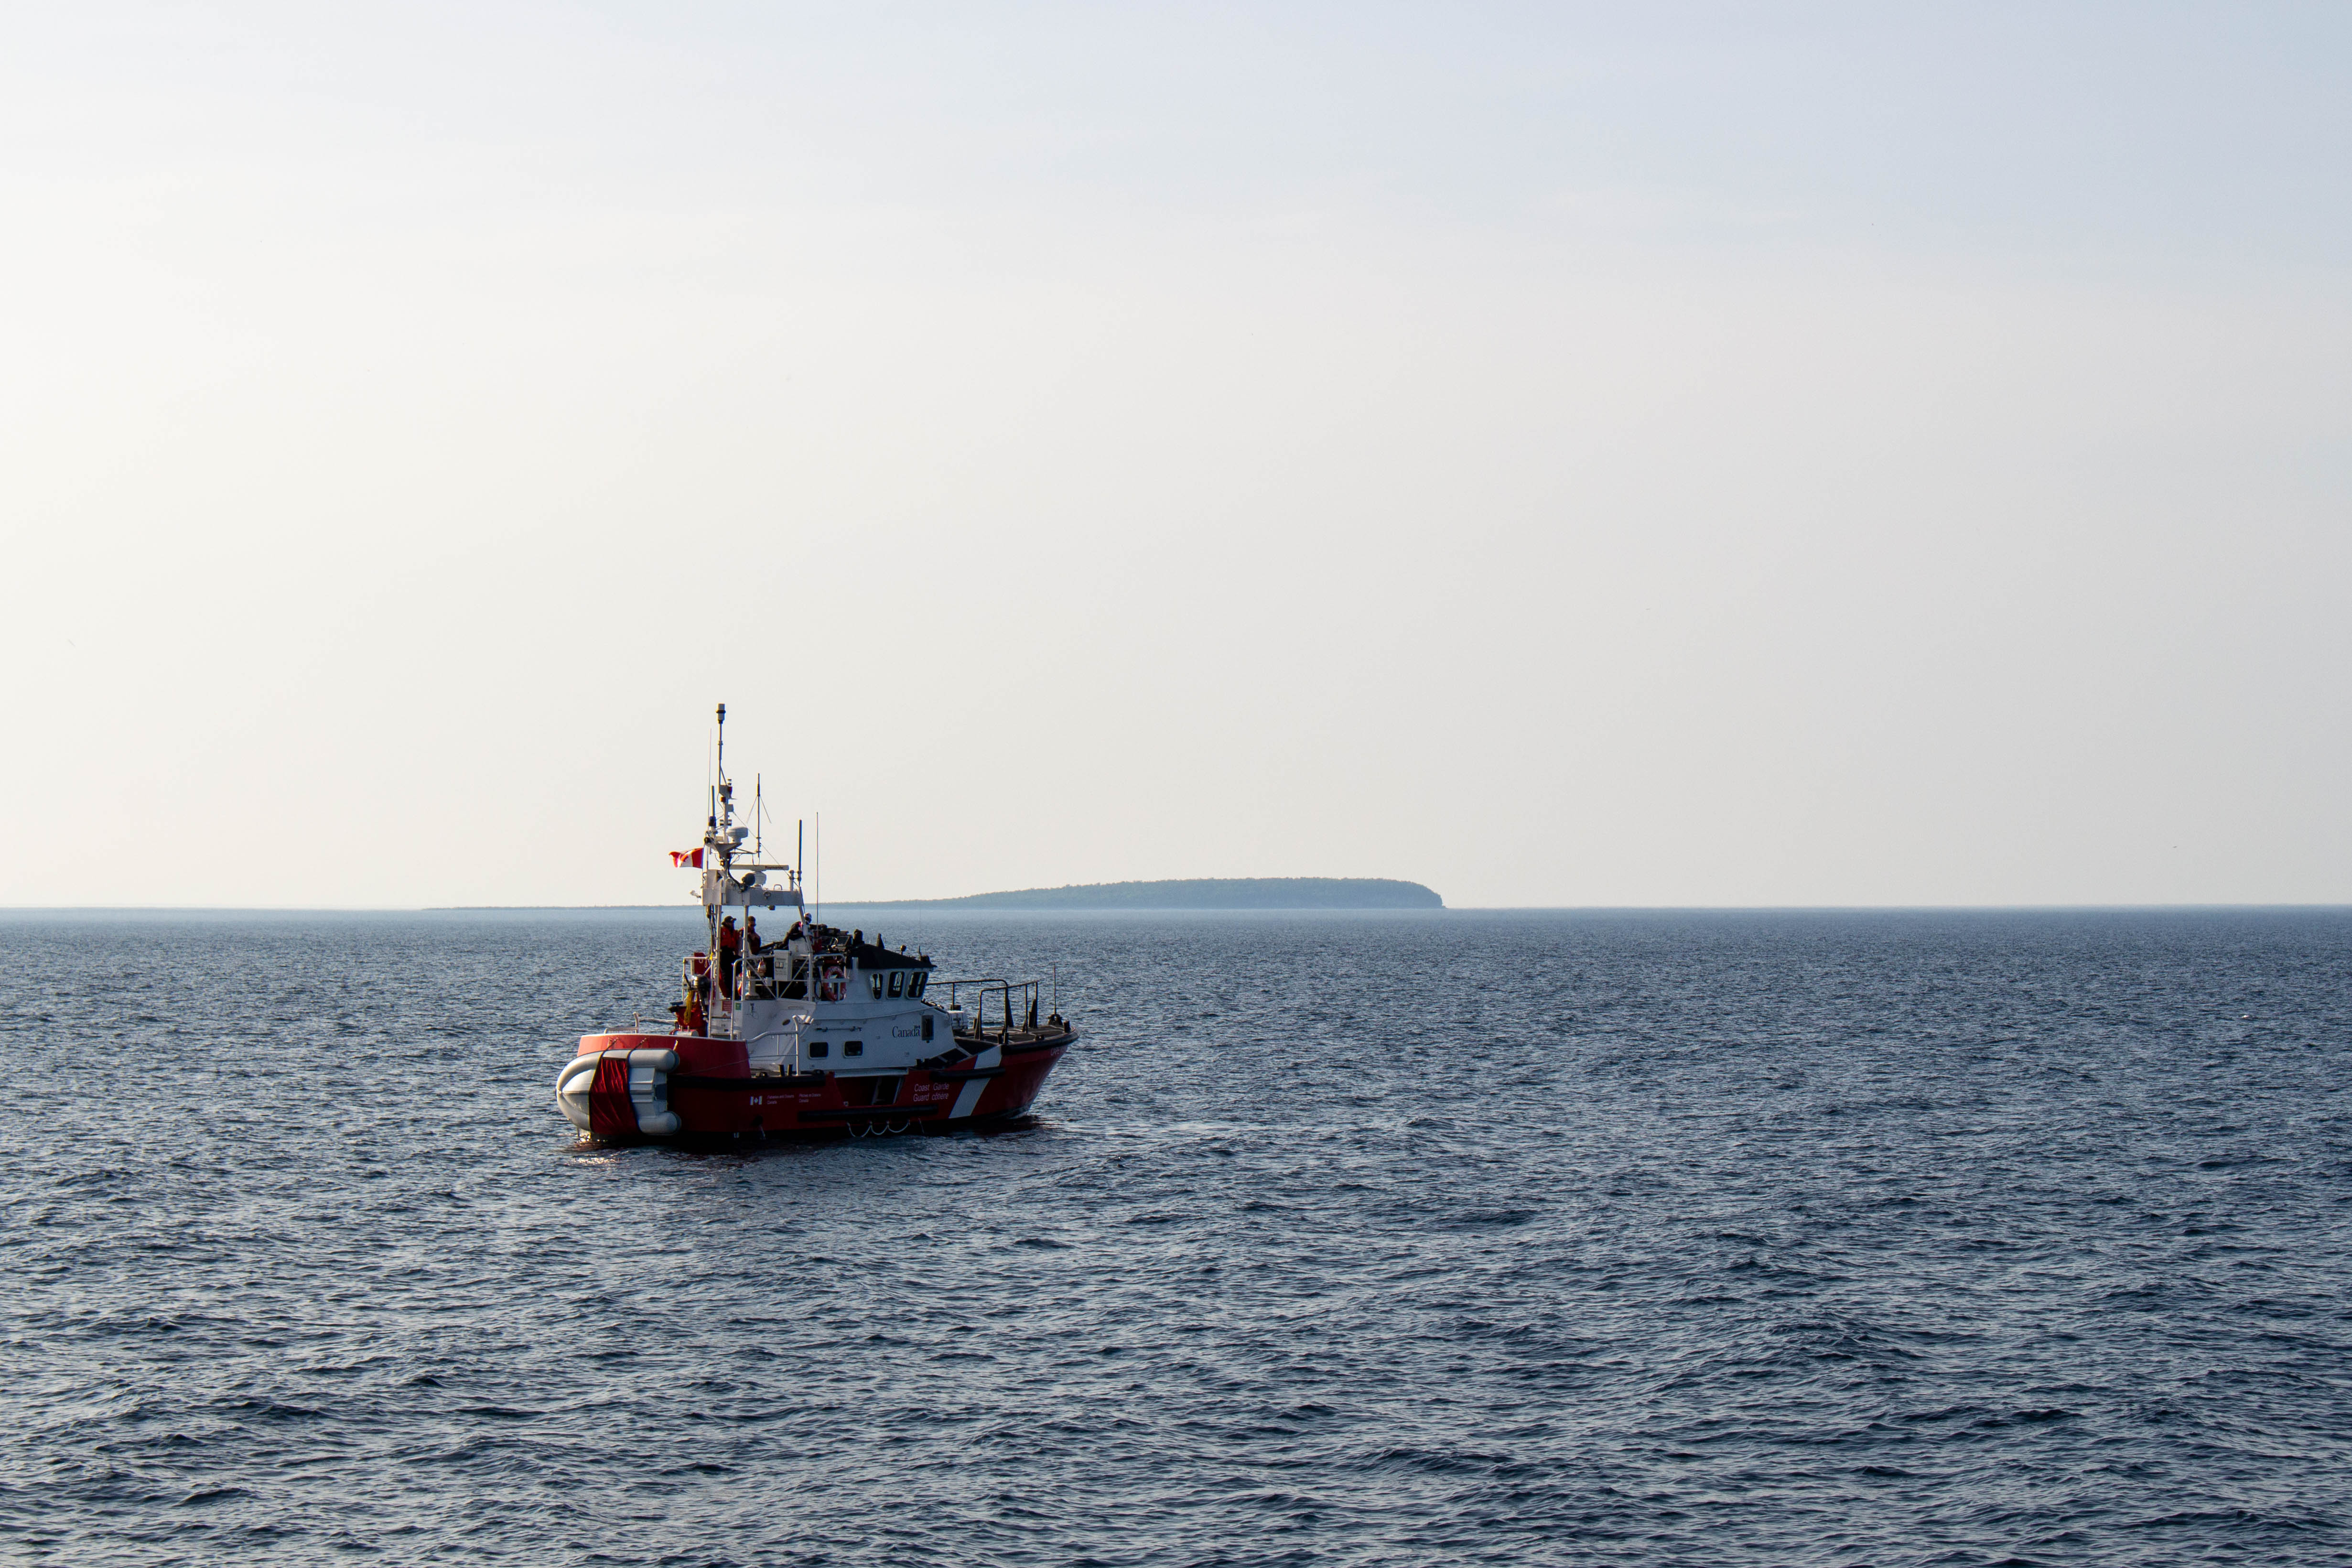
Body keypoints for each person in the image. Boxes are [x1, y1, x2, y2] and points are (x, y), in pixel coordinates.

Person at [717, 916, 741, 996]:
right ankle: (730, 994)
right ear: (727, 923)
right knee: (727, 975)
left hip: (730, 953)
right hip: (723, 953)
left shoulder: (734, 932)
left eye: (733, 922)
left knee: (741, 962)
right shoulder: (721, 931)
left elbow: (736, 943)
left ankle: (736, 974)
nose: (732, 924)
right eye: (731, 922)